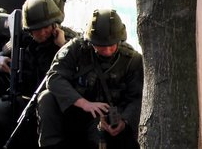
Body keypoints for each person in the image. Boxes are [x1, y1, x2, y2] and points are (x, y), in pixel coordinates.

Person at [37, 9, 143, 149]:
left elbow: (137, 97)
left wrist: (124, 121)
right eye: (100, 46)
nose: (106, 51)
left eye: (111, 45)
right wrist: (83, 103)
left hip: (108, 119)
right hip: (75, 113)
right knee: (46, 98)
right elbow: (54, 77)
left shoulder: (132, 59)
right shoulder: (76, 49)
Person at [0, 0, 78, 149]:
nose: (42, 32)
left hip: (57, 101)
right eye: (36, 29)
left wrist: (62, 46)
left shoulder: (69, 39)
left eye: (46, 27)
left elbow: (83, 63)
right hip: (25, 100)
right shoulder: (22, 39)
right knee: (0, 111)